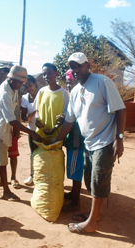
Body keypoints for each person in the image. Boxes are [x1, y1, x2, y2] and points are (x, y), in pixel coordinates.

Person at [55, 52, 126, 234]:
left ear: (88, 65)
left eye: (79, 65)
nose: (75, 69)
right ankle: (95, 214)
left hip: (105, 141)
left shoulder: (102, 82)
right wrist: (55, 140)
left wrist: (119, 138)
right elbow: (69, 121)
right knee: (90, 180)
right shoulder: (76, 91)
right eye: (72, 66)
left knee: (98, 180)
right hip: (89, 143)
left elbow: (120, 110)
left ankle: (91, 223)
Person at [0, 65, 42, 200]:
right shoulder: (5, 93)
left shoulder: (12, 89)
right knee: (2, 162)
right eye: (20, 82)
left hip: (3, 130)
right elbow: (11, 120)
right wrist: (32, 133)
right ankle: (6, 192)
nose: (21, 85)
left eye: (23, 83)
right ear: (11, 79)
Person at [62, 69, 85, 212]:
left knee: (75, 171)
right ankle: (73, 194)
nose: (68, 85)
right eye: (67, 83)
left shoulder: (80, 95)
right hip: (72, 140)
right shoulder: (74, 95)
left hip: (77, 141)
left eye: (70, 82)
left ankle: (76, 202)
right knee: (72, 169)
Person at [33, 63, 69, 140]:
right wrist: (37, 120)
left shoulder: (64, 93)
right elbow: (36, 110)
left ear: (56, 74)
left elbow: (66, 115)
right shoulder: (41, 91)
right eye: (44, 74)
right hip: (40, 134)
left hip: (56, 136)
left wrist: (55, 128)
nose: (47, 76)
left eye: (50, 73)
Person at [21, 75, 38, 186]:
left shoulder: (43, 94)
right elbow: (23, 117)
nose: (29, 89)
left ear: (35, 84)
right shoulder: (25, 98)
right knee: (33, 153)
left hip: (44, 130)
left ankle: (43, 176)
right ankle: (32, 176)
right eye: (26, 87)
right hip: (32, 130)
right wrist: (30, 117)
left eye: (30, 85)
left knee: (45, 153)